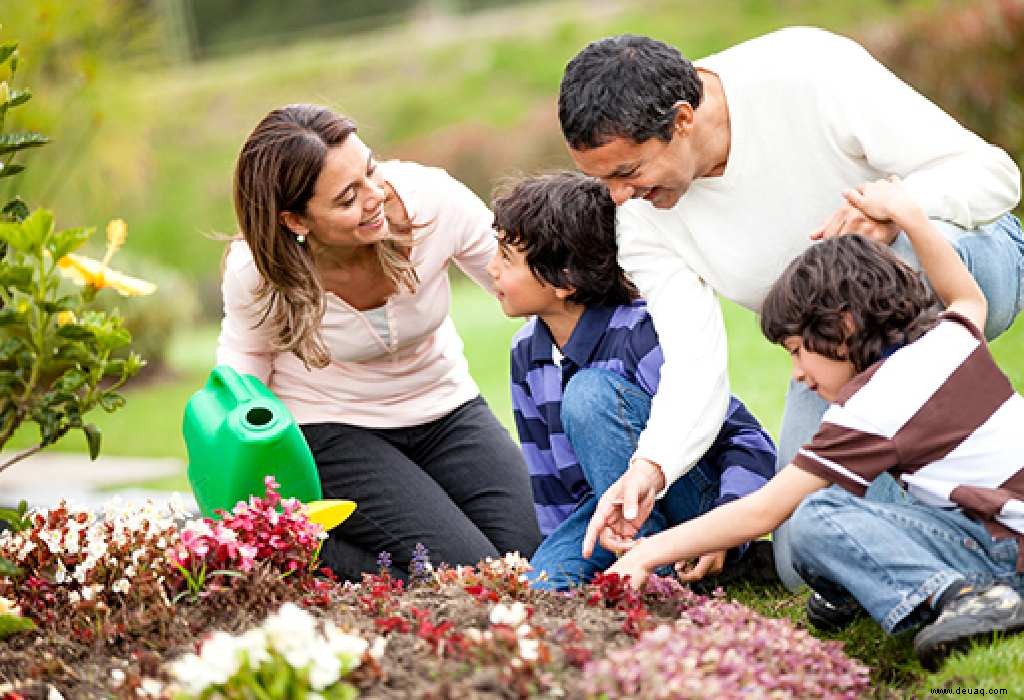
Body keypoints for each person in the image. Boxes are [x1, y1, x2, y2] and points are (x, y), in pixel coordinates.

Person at [558, 29, 1024, 589]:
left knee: (887, 261)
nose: (617, 196)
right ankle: (966, 540)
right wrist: (650, 465)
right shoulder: (642, 220)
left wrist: (900, 208)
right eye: (602, 180)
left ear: (682, 120)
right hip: (833, 351)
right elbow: (693, 360)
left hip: (963, 265)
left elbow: (992, 174)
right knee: (803, 561)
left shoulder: (806, 71)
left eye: (627, 173)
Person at [592, 177, 1024, 669]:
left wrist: (647, 553)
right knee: (845, 507)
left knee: (817, 518)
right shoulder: (949, 337)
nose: (798, 373)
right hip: (998, 525)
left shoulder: (877, 402)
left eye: (798, 351)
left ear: (843, 326)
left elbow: (764, 512)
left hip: (1006, 553)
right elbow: (966, 296)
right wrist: (909, 215)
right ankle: (868, 588)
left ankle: (968, 600)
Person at [217, 104, 541, 581]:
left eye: (370, 171)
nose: (375, 197)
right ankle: (303, 549)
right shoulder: (259, 271)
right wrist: (247, 467)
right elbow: (245, 361)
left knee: (534, 559)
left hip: (446, 410)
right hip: (334, 428)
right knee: (475, 574)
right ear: (295, 221)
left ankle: (371, 558)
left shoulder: (431, 202)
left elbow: (521, 278)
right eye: (348, 197)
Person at [486, 171, 776, 589]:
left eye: (507, 258)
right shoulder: (526, 353)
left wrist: (725, 526)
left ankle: (662, 577)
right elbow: (551, 485)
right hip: (605, 517)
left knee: (589, 394)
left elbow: (748, 441)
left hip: (695, 511)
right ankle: (638, 571)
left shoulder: (641, 334)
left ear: (564, 279)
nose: (491, 269)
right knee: (542, 587)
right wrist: (559, 553)